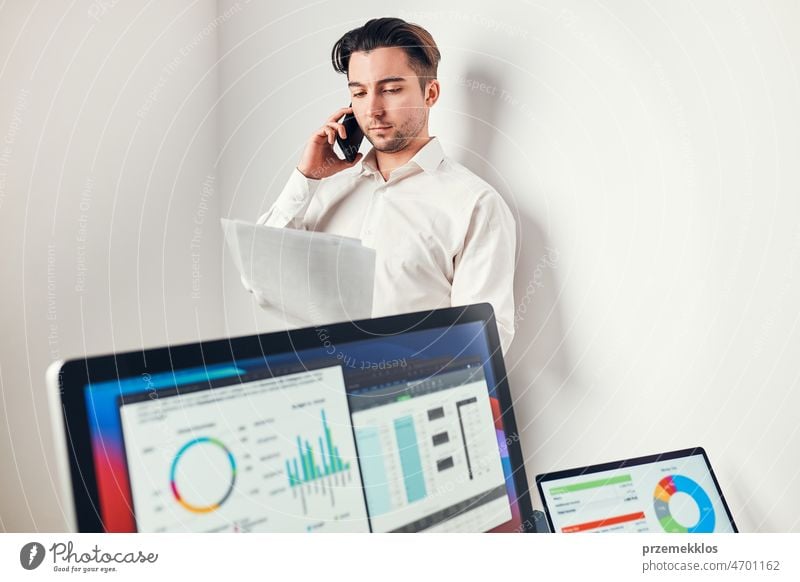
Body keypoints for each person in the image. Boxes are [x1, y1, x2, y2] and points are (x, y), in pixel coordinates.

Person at [249, 17, 517, 353]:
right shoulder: (324, 191)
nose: (372, 110)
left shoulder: (474, 204)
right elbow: (259, 282)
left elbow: (482, 342)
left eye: (390, 90)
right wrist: (306, 177)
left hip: (413, 395)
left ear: (430, 92)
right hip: (321, 391)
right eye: (359, 92)